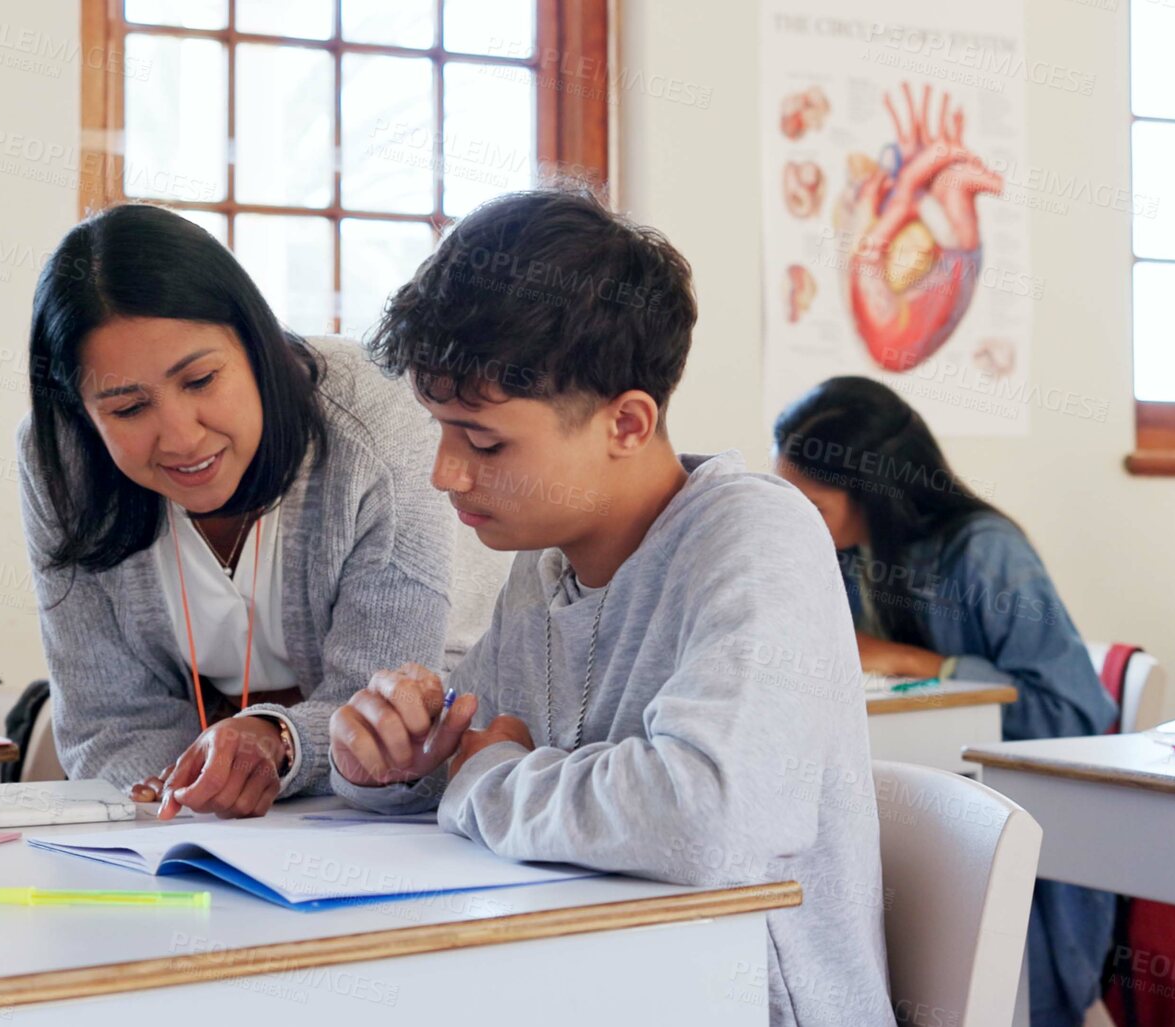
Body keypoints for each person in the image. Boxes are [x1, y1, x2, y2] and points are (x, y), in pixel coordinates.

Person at [326, 188, 896, 1027]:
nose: (446, 473)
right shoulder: (545, 561)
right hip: (595, 984)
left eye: (482, 441)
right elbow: (470, 755)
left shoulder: (756, 533)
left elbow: (708, 816)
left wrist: (482, 773)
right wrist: (392, 763)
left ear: (626, 422)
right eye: (439, 432)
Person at [17, 203, 459, 819]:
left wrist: (275, 741)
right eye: (126, 409)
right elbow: (106, 718)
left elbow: (387, 709)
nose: (179, 438)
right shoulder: (61, 464)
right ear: (82, 415)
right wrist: (184, 788)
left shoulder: (373, 420)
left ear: (257, 343)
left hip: (415, 794)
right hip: (222, 833)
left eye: (199, 381)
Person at [771, 376, 1118, 1027]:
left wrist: (910, 660)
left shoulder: (984, 551)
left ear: (872, 490)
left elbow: (1069, 712)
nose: (800, 527)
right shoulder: (844, 556)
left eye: (812, 508)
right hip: (906, 811)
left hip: (1011, 821)